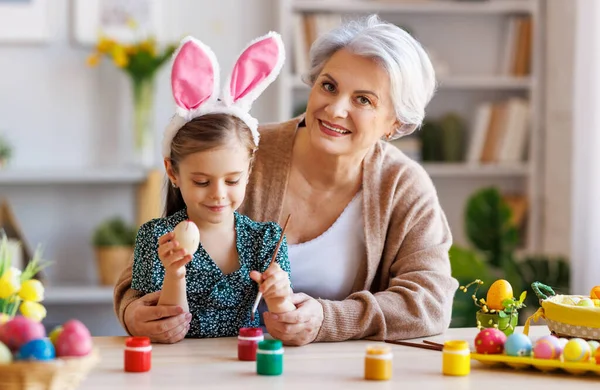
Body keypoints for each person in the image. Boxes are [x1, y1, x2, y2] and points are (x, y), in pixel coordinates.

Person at [114, 14, 459, 345]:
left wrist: (329, 319)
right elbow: (148, 264)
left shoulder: (403, 186)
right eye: (329, 86)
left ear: (394, 124)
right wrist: (132, 310)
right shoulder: (239, 154)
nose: (336, 109)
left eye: (363, 100)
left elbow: (429, 302)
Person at [129, 33, 295, 340]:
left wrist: (280, 296)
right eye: (202, 182)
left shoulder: (267, 240)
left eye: (232, 180)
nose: (218, 193)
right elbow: (168, 329)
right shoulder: (156, 239)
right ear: (173, 172)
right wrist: (175, 273)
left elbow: (286, 327)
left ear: (249, 170)